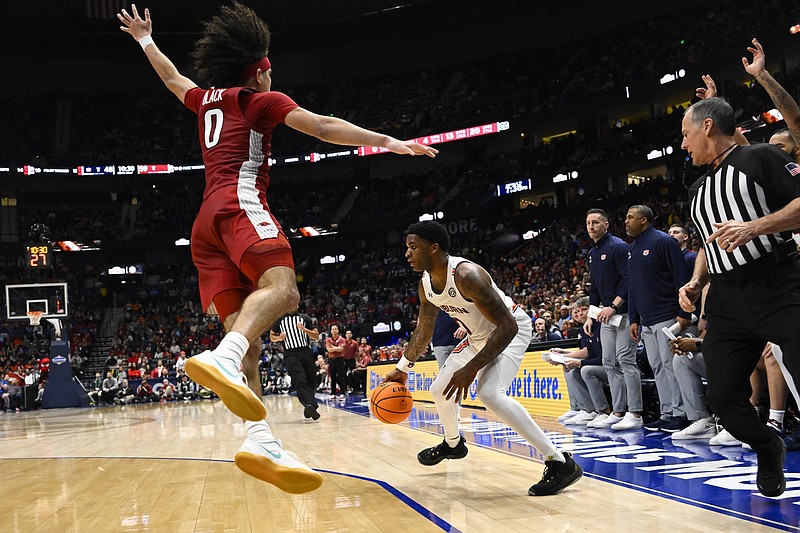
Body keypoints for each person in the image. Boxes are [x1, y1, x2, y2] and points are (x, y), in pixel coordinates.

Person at [118, 3, 435, 494]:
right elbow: (324, 128)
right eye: (270, 66)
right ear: (260, 68)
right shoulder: (256, 101)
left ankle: (258, 438)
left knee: (251, 335)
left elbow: (173, 79)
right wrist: (389, 141)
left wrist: (144, 41)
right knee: (284, 294)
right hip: (238, 202)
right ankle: (223, 356)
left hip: (205, 224)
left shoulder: (206, 99)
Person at [384, 221, 582, 496]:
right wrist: (402, 368)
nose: (407, 254)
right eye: (407, 248)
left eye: (413, 247)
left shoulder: (467, 275)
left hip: (511, 328)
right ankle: (453, 444)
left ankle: (559, 462)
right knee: (439, 389)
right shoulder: (425, 285)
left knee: (489, 393)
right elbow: (424, 329)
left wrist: (471, 367)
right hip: (478, 336)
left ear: (434, 248)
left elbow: (508, 326)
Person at [678, 96, 800, 497]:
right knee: (723, 397)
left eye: (685, 134)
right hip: (727, 295)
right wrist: (697, 281)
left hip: (778, 281)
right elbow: (709, 244)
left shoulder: (762, 157)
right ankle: (768, 444)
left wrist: (756, 227)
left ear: (708, 126)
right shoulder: (696, 186)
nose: (683, 144)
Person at [625, 204, 691, 432]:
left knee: (669, 364)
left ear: (643, 220)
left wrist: (684, 313)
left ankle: (681, 413)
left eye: (630, 217)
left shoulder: (664, 241)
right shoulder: (632, 249)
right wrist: (634, 318)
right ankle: (667, 412)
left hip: (666, 313)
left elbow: (681, 277)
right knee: (657, 365)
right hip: (646, 319)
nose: (626, 221)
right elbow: (632, 288)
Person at [584, 208, 643, 430]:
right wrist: (591, 315)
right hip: (606, 317)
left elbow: (629, 279)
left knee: (626, 361)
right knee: (609, 362)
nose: (591, 227)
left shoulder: (618, 247)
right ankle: (618, 411)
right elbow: (596, 287)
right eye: (588, 223)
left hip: (625, 313)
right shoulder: (591, 253)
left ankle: (635, 413)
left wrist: (613, 305)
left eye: (596, 223)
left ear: (606, 225)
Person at [269, 312, 321, 420]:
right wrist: (279, 337)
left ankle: (309, 408)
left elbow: (316, 336)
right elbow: (271, 336)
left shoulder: (305, 317)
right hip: (290, 353)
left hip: (305, 351)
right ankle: (309, 405)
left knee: (312, 381)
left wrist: (304, 330)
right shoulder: (280, 319)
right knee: (299, 378)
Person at [325, 325, 347, 398]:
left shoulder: (342, 339)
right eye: (333, 329)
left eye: (335, 329)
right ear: (331, 331)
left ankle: (343, 392)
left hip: (339, 359)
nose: (334, 330)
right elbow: (329, 350)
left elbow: (341, 349)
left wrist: (333, 347)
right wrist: (336, 348)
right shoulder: (328, 339)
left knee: (341, 376)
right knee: (332, 376)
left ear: (338, 330)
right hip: (331, 359)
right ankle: (333, 393)